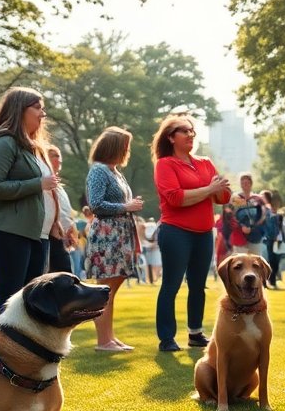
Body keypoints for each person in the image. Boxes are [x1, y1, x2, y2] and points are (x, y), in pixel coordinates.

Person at [152, 114, 230, 351]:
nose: (190, 135)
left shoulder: (205, 163)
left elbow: (223, 196)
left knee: (198, 285)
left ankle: (195, 333)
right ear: (171, 137)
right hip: (176, 232)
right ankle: (167, 338)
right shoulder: (165, 164)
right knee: (172, 284)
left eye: (192, 131)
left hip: (204, 232)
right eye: (184, 131)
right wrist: (210, 189)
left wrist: (215, 190)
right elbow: (175, 198)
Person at [0, 88, 57, 324]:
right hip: (11, 230)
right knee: (10, 295)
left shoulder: (33, 146)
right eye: (37, 107)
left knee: (30, 298)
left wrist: (55, 223)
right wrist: (37, 183)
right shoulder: (5, 142)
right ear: (19, 110)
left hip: (38, 233)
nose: (43, 114)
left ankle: (21, 353)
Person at [84, 126, 144, 352]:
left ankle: (109, 337)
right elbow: (96, 204)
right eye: (125, 147)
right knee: (105, 290)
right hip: (107, 235)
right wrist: (126, 206)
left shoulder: (115, 172)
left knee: (111, 290)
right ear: (114, 148)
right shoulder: (99, 170)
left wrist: (129, 207)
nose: (127, 151)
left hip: (120, 233)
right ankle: (103, 341)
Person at [46, 145, 77, 275]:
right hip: (50, 235)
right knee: (63, 273)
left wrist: (70, 229)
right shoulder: (45, 182)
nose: (60, 160)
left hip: (62, 236)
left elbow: (65, 211)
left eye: (60, 156)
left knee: (65, 273)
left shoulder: (59, 186)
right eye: (56, 156)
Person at [230, 172, 267, 256]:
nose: (245, 185)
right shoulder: (237, 198)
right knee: (241, 261)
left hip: (255, 236)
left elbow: (263, 216)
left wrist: (254, 227)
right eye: (242, 183)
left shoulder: (257, 198)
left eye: (247, 183)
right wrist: (242, 226)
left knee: (256, 260)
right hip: (240, 236)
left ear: (251, 183)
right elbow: (233, 215)